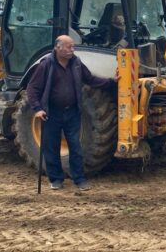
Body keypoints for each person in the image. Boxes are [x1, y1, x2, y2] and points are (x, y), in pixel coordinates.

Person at [27, 35, 116, 191]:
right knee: (51, 147)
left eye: (73, 46)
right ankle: (56, 180)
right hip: (51, 113)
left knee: (75, 147)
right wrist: (38, 108)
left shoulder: (76, 63)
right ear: (58, 47)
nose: (72, 49)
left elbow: (91, 79)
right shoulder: (46, 65)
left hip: (72, 113)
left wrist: (111, 82)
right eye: (69, 47)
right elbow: (32, 89)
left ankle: (79, 179)